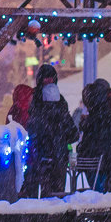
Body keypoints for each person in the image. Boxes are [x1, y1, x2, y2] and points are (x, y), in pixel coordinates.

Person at [23, 64, 77, 198]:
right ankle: (51, 218)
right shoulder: (58, 102)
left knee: (43, 197)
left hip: (41, 155)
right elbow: (70, 131)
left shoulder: (35, 99)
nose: (48, 82)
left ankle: (44, 218)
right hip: (53, 155)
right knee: (54, 197)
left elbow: (34, 126)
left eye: (50, 79)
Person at [75, 79, 111, 193]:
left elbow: (93, 140)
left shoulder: (99, 114)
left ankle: (106, 194)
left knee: (101, 183)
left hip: (101, 156)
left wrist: (85, 125)